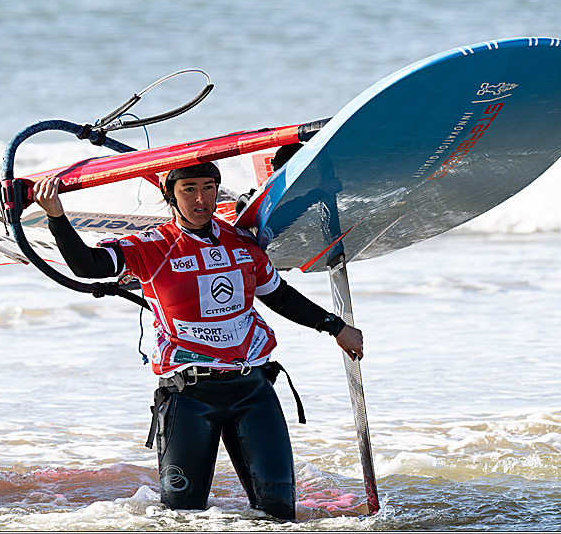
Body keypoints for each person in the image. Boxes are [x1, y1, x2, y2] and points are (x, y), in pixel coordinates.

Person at [32, 162, 364, 521]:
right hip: (189, 397)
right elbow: (89, 266)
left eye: (208, 187)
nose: (201, 198)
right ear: (171, 196)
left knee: (280, 514)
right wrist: (56, 217)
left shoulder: (242, 242)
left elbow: (280, 296)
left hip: (252, 391)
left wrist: (335, 327)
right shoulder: (151, 247)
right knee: (182, 518)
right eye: (189, 189)